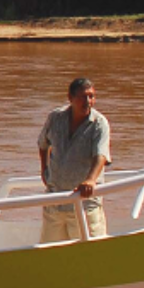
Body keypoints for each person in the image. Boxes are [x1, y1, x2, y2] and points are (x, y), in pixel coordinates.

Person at [36, 77, 110, 243]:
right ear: (70, 98)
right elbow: (42, 144)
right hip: (55, 202)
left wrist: (90, 180)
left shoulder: (99, 124)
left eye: (91, 96)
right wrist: (44, 170)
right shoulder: (55, 118)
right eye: (83, 97)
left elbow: (101, 156)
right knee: (50, 254)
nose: (88, 101)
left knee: (89, 256)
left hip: (84, 204)